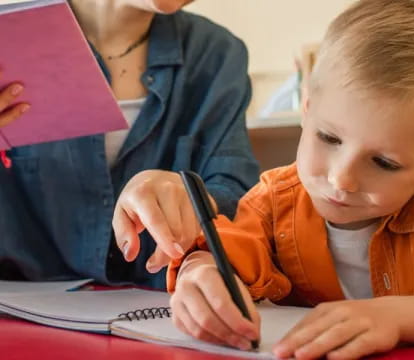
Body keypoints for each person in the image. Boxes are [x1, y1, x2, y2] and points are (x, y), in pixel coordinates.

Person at [164, 0, 414, 358]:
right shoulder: (272, 203)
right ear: (307, 108)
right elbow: (227, 253)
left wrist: (393, 318)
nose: (342, 179)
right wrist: (200, 273)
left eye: (383, 162)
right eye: (329, 138)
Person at [0, 0, 259, 289]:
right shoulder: (9, 40)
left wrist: (193, 200)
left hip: (161, 309)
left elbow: (239, 194)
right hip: (17, 307)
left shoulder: (218, 54)